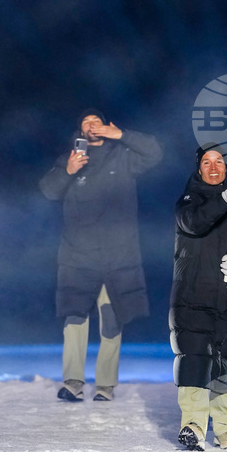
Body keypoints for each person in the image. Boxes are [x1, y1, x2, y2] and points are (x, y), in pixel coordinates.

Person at [39, 108, 162, 402]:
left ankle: (105, 386)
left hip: (117, 256)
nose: (92, 126)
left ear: (106, 126)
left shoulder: (123, 157)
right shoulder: (71, 160)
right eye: (86, 122)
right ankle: (72, 382)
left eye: (97, 121)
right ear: (80, 131)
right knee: (75, 320)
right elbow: (48, 190)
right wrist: (67, 171)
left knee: (112, 319)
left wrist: (122, 135)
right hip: (78, 256)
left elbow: (155, 152)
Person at [170, 144, 227, 451]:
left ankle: (225, 430)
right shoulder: (188, 200)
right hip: (192, 296)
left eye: (219, 162)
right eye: (207, 162)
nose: (214, 167)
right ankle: (193, 426)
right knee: (195, 362)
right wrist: (225, 199)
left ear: (226, 168)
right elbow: (193, 223)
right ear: (199, 169)